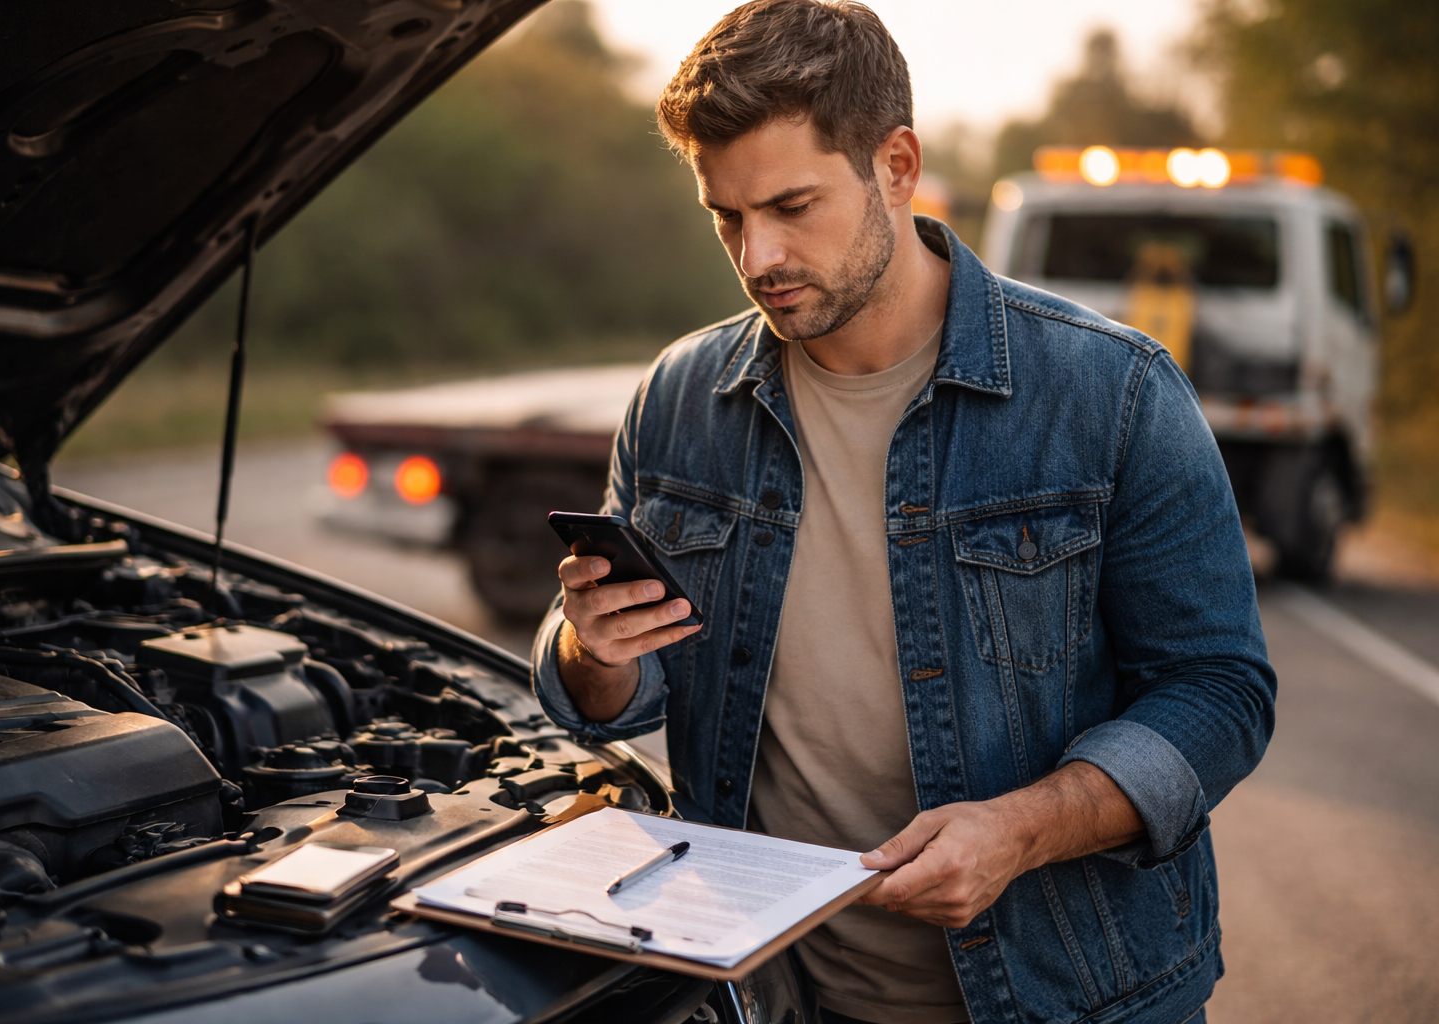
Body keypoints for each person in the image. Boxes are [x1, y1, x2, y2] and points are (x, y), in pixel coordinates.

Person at [529, 3, 1275, 1022]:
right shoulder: (679, 397)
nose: (758, 258)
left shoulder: (1114, 391)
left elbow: (1219, 692)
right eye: (728, 217)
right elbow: (623, 686)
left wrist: (1022, 828)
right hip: (773, 993)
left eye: (793, 205)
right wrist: (593, 653)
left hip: (1071, 997)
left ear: (897, 162)